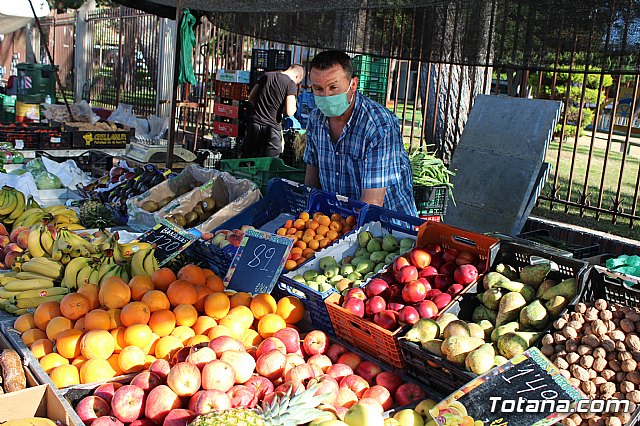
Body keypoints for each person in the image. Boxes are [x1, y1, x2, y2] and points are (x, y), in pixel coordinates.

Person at [303, 50, 418, 217]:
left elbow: (372, 202)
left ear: (353, 84)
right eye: (318, 88)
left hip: (386, 226)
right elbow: (311, 177)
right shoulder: (316, 119)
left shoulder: (378, 125)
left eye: (333, 87)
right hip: (335, 222)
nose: (326, 95)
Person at [241, 64, 305, 158]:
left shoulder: (267, 76)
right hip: (271, 129)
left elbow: (251, 98)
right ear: (298, 76)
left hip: (254, 125)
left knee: (248, 161)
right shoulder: (290, 84)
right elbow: (290, 111)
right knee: (270, 163)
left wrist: (262, 107)